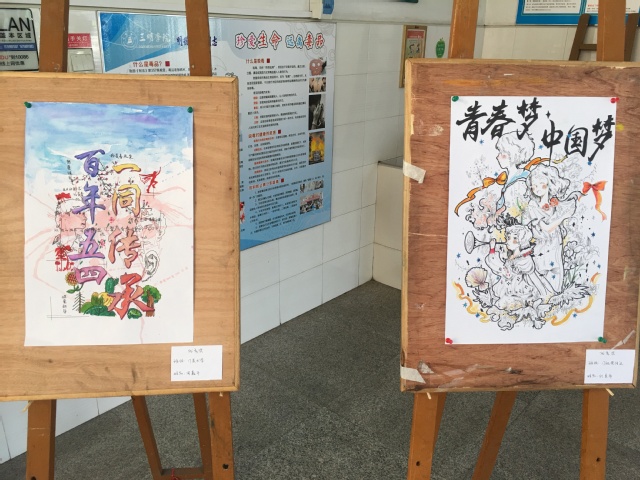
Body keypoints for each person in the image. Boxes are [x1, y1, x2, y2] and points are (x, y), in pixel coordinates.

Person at [522, 163, 578, 292]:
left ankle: (556, 295)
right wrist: (563, 217)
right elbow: (547, 228)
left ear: (550, 184)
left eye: (541, 185)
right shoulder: (533, 205)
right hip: (542, 244)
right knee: (542, 272)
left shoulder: (555, 203)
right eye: (534, 186)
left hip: (555, 243)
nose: (537, 189)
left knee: (557, 273)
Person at [484, 225, 553, 330]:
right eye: (508, 237)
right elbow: (500, 268)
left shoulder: (525, 260)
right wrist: (492, 250)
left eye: (514, 238)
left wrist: (543, 295)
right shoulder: (511, 258)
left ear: (521, 241)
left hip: (521, 295)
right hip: (508, 293)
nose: (508, 241)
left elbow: (533, 279)